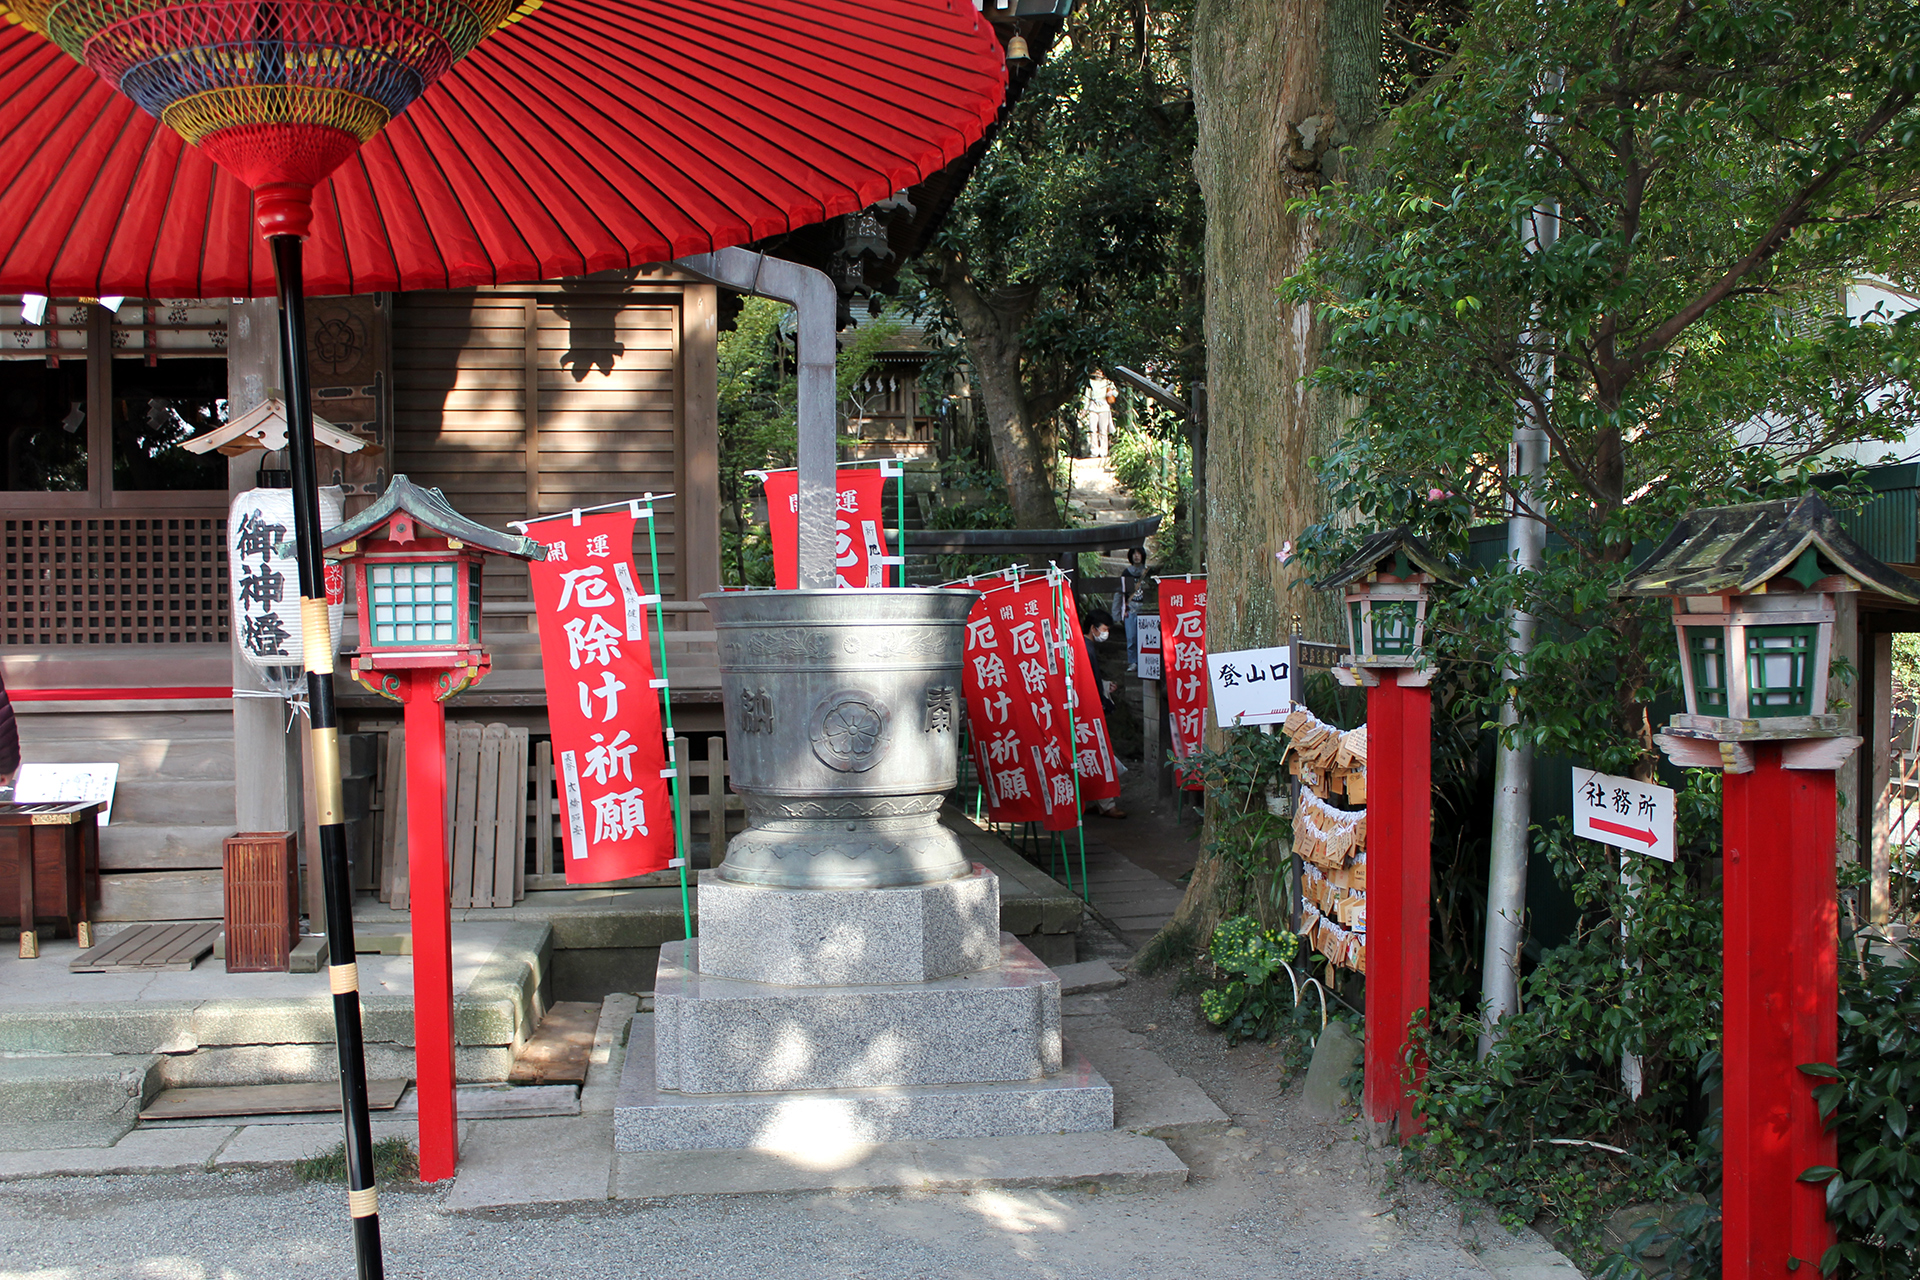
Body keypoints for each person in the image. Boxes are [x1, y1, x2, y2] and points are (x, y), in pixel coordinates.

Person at [1079, 609, 1127, 819]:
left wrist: (1104, 686)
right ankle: (1106, 803)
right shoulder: (1085, 648)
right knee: (1100, 755)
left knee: (1090, 755)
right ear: (1093, 628)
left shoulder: (1083, 646)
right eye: (1105, 629)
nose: (1106, 633)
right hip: (1088, 709)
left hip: (1084, 706)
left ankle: (1099, 801)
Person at [1112, 547, 1151, 672]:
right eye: (1134, 553)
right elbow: (1120, 593)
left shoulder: (1148, 572)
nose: (1136, 556)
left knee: (1145, 638)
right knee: (1131, 637)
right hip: (1130, 609)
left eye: (1139, 553)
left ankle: (1145, 661)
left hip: (1145, 609)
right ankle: (1133, 662)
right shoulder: (1126, 573)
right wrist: (1118, 612)